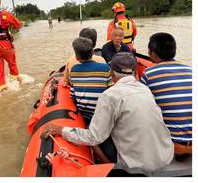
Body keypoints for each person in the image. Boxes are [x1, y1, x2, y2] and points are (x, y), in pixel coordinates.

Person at [44, 53, 174, 174]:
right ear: (135, 72)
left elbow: (93, 137)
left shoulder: (110, 95)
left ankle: (112, 169)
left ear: (111, 72)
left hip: (136, 165)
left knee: (93, 135)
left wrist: (62, 130)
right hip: (165, 157)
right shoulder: (145, 89)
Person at [141, 33, 192, 158]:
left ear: (152, 53)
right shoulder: (191, 70)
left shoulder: (149, 73)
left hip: (172, 143)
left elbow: (142, 107)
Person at [69, 37, 111, 123]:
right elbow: (111, 91)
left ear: (77, 58)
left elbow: (72, 96)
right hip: (101, 112)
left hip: (83, 113)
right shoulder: (105, 68)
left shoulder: (74, 70)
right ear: (93, 53)